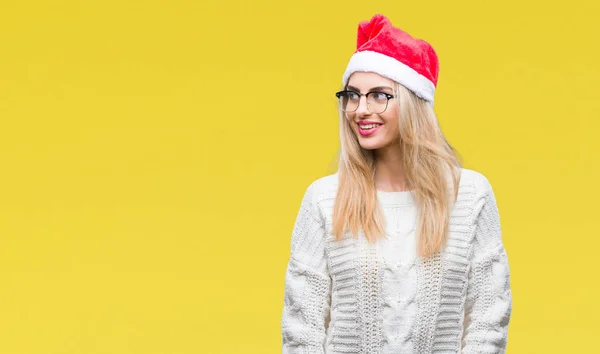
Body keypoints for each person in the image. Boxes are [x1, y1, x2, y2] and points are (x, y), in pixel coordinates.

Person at [280, 13, 512, 354]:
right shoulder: (324, 199)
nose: (360, 109)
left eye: (378, 95)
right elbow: (302, 329)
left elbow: (489, 319)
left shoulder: (470, 196)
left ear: (414, 102)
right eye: (352, 96)